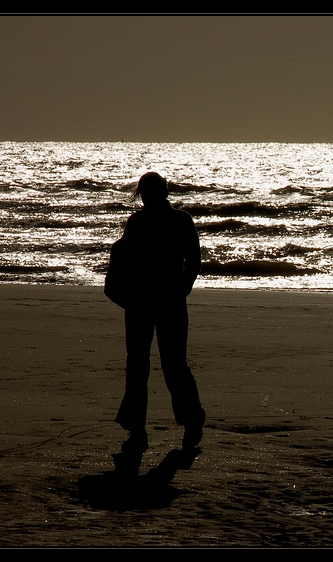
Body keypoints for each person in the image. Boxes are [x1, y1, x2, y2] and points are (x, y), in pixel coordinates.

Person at [112, 172, 205, 451]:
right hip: (164, 301)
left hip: (144, 301)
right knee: (171, 363)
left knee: (142, 364)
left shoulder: (140, 222)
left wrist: (182, 288)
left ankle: (137, 423)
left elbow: (124, 258)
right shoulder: (179, 220)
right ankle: (188, 419)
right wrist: (182, 288)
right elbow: (195, 260)